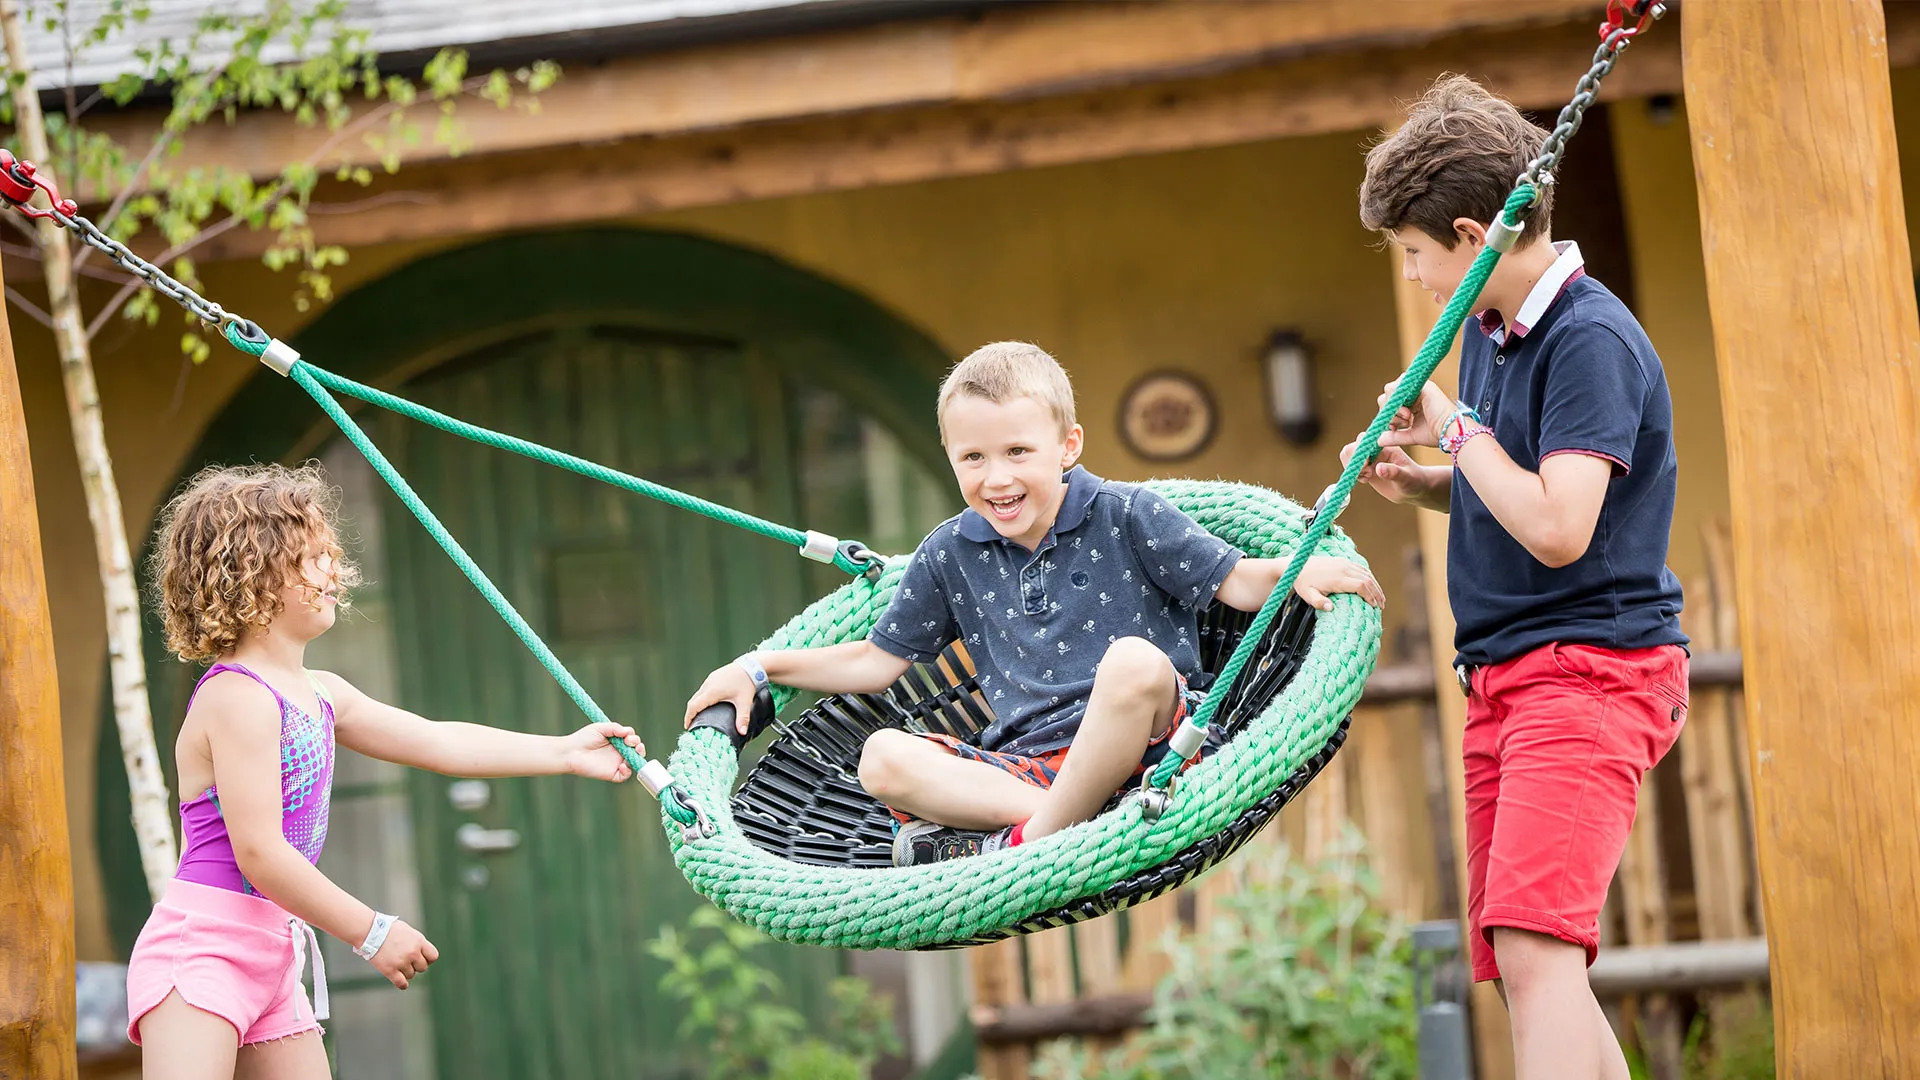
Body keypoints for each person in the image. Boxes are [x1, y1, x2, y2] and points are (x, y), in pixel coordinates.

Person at [684, 341, 1382, 867]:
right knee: (881, 758)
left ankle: (1032, 846)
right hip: (1030, 769)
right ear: (951, 458)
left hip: (1157, 752)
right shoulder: (949, 553)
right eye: (973, 459)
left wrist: (1294, 569)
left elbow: (1232, 581)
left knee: (1132, 664)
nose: (997, 478)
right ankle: (1064, 824)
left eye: (1018, 451)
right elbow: (875, 662)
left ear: (1067, 446)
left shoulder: (1128, 513)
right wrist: (758, 665)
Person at [1344, 75, 1690, 1080]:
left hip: (1585, 674)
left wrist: (1457, 426)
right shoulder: (1501, 329)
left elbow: (1559, 527)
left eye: (1413, 253)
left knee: (1542, 950)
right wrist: (1429, 484)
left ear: (1469, 234)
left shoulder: (1586, 337)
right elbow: (1521, 482)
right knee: (1525, 961)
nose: (1411, 278)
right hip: (1506, 676)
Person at [127, 463, 644, 1080]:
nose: (333, 571)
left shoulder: (322, 693)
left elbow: (440, 742)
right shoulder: (238, 698)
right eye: (312, 557)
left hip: (272, 948)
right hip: (204, 951)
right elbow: (259, 853)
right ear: (253, 571)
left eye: (329, 554)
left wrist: (562, 752)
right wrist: (371, 931)